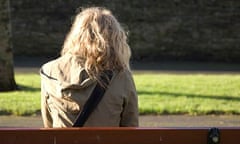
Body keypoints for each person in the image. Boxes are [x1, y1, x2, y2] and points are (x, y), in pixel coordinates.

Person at [40, 7, 139, 127]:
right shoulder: (122, 76)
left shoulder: (49, 70)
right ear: (115, 39)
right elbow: (131, 127)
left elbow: (48, 125)